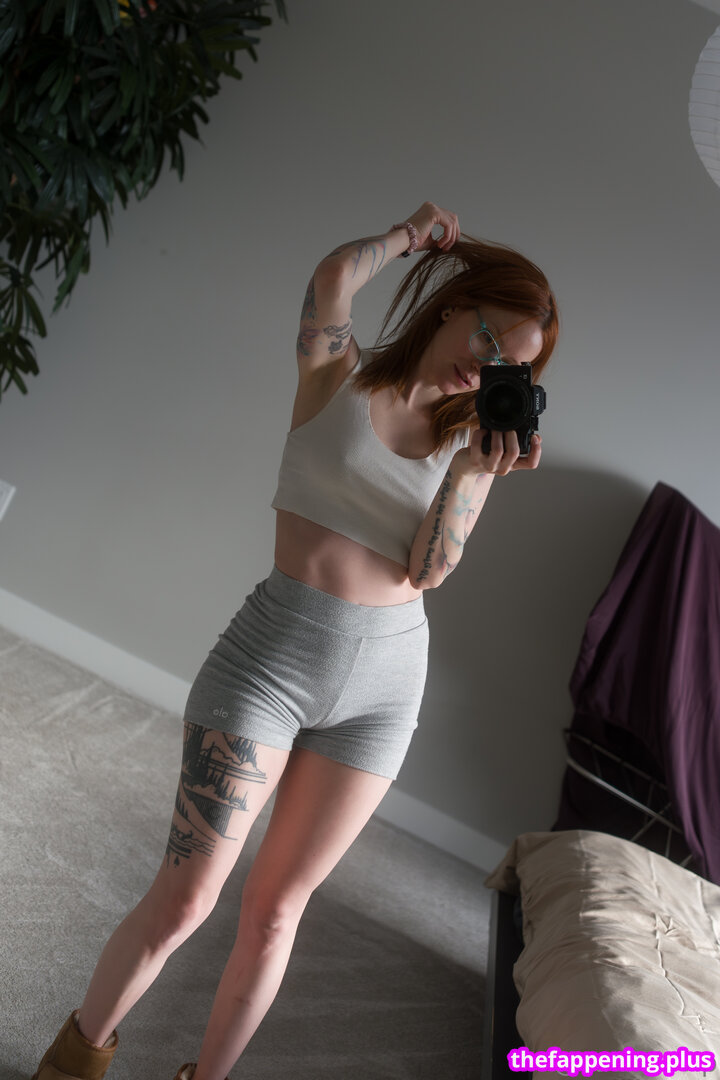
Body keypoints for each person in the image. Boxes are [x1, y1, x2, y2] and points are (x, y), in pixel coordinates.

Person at [31, 201, 559, 1080]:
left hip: (384, 691)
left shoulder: (469, 449)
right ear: (452, 306)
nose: (488, 366)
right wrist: (409, 236)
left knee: (278, 911)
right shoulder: (336, 375)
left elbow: (428, 570)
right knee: (188, 897)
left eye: (514, 364)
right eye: (490, 337)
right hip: (268, 664)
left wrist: (469, 472)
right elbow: (332, 279)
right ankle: (71, 1064)